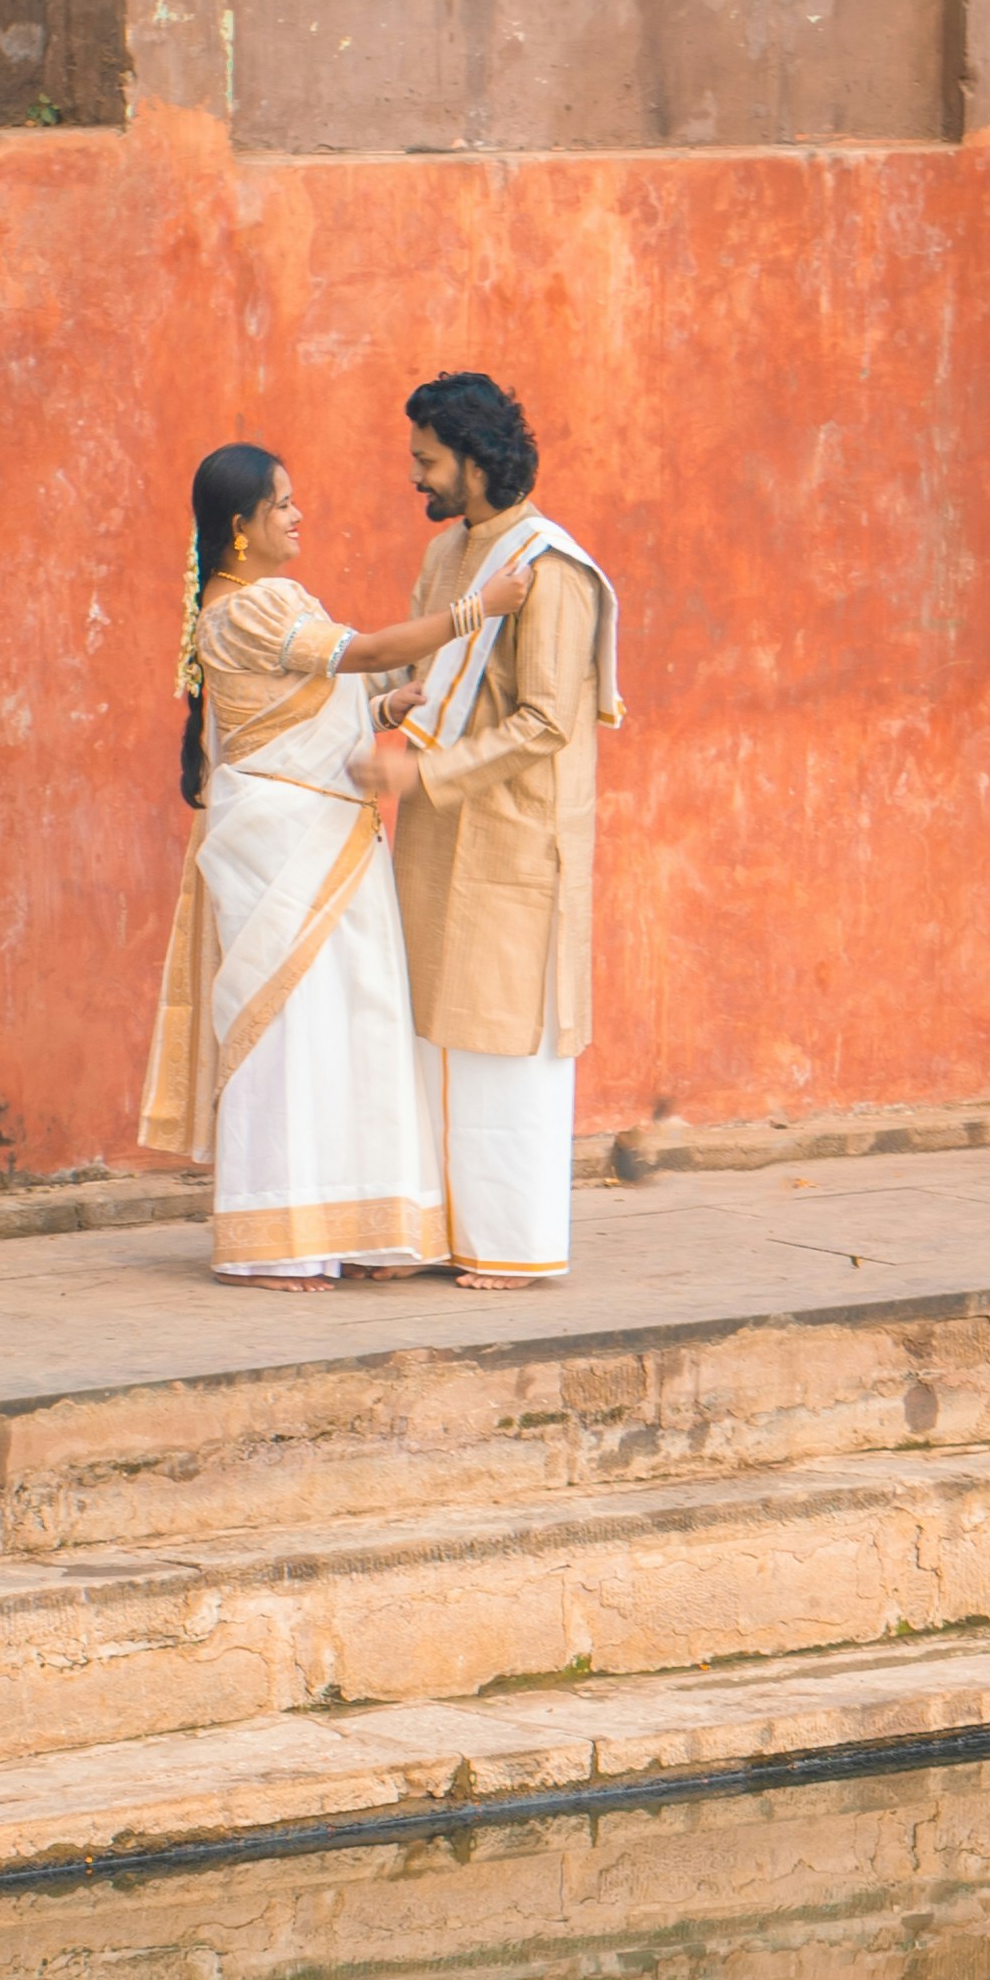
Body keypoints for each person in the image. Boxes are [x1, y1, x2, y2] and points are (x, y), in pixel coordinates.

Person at [139, 442, 533, 1288]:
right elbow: (359, 652)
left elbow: (303, 705)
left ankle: (355, 1224)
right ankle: (274, 1241)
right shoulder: (248, 605)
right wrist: (480, 608)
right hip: (286, 848)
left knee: (350, 1025)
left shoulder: (253, 602)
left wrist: (381, 709)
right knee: (288, 1036)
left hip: (327, 838)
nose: (296, 514)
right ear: (240, 529)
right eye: (281, 504)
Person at [384, 369, 624, 1292]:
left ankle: (516, 1243)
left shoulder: (551, 570)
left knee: (501, 1047)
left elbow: (548, 721)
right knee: (432, 1034)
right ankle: (438, 1230)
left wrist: (424, 772)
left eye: (427, 460)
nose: (417, 477)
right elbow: (422, 667)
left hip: (515, 838)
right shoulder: (452, 556)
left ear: (476, 461)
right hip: (441, 831)